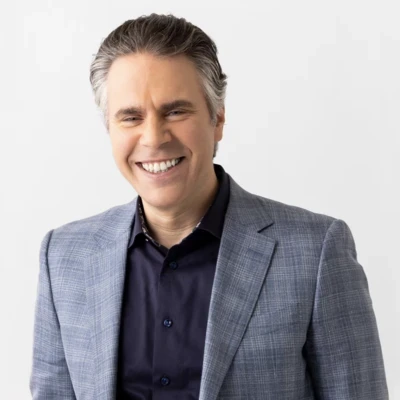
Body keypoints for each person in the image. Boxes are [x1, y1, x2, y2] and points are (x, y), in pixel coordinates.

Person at [30, 13, 389, 400]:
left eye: (175, 111)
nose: (153, 138)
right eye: (131, 117)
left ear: (217, 118)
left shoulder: (316, 252)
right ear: (109, 128)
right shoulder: (63, 256)